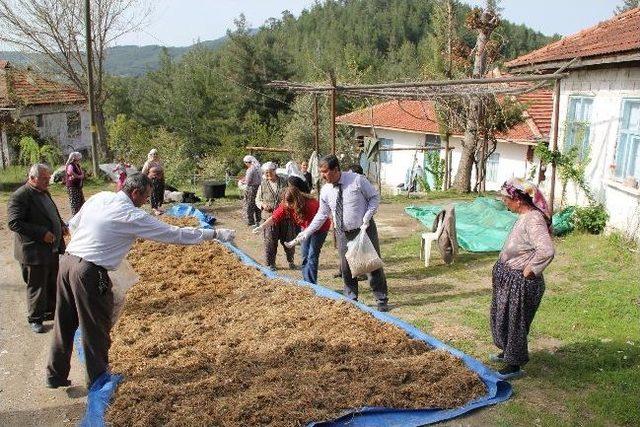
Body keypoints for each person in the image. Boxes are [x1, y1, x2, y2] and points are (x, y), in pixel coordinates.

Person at [45, 173, 236, 389]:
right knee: (94, 328)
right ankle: (98, 381)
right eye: (145, 196)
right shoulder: (130, 215)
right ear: (135, 193)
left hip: (68, 262)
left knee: (64, 321)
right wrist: (214, 234)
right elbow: (175, 234)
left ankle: (55, 375)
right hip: (87, 272)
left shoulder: (100, 197)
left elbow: (74, 224)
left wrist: (92, 244)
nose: (146, 200)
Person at [287, 154, 389, 312]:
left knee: (371, 265)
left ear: (335, 169)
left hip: (364, 229)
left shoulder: (357, 180)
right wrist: (306, 233)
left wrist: (368, 216)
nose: (322, 175)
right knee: (346, 267)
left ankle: (381, 299)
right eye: (321, 171)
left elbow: (374, 197)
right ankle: (351, 299)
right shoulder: (326, 190)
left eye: (325, 171)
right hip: (342, 232)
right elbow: (322, 214)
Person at [490, 178, 554, 379]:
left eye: (506, 199)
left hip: (521, 282)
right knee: (503, 317)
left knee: (515, 321)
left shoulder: (534, 219)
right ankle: (507, 352)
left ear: (518, 200)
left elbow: (546, 250)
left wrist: (531, 269)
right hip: (509, 278)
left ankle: (514, 366)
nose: (504, 202)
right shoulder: (524, 216)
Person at [7, 164, 67, 333]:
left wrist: (61, 225)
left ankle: (49, 313)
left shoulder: (44, 191)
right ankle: (35, 318)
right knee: (37, 285)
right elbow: (14, 223)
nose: (48, 181)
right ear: (32, 178)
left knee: (51, 282)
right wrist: (42, 233)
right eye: (44, 179)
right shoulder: (20, 196)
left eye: (48, 178)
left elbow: (51, 213)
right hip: (33, 251)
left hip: (51, 248)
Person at [254, 186, 330, 283]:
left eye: (290, 203)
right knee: (304, 254)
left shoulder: (310, 205)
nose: (288, 205)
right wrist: (262, 227)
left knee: (312, 255)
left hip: (320, 228)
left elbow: (311, 229)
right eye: (286, 202)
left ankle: (311, 284)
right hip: (306, 227)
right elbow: (274, 217)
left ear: (297, 200)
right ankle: (306, 282)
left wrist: (294, 242)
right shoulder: (286, 204)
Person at [255, 162, 296, 270]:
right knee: (270, 241)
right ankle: (271, 263)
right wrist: (263, 205)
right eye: (266, 172)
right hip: (268, 217)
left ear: (274, 171)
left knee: (288, 240)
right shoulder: (262, 184)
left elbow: (292, 195)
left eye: (270, 172)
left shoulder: (284, 181)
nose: (268, 174)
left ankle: (291, 260)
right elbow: (257, 200)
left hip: (285, 216)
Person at [239, 155, 262, 226]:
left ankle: (250, 221)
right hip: (258, 187)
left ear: (247, 162)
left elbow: (248, 182)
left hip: (251, 188)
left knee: (249, 204)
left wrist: (242, 181)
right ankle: (259, 219)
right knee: (257, 203)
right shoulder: (257, 167)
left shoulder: (250, 169)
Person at [141, 149, 164, 215]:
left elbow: (162, 172)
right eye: (153, 154)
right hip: (152, 181)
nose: (155, 155)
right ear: (150, 155)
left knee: (160, 194)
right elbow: (143, 173)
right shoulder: (148, 163)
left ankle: (158, 207)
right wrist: (145, 182)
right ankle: (154, 208)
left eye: (156, 154)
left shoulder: (159, 163)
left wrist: (163, 179)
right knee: (153, 194)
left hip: (160, 180)